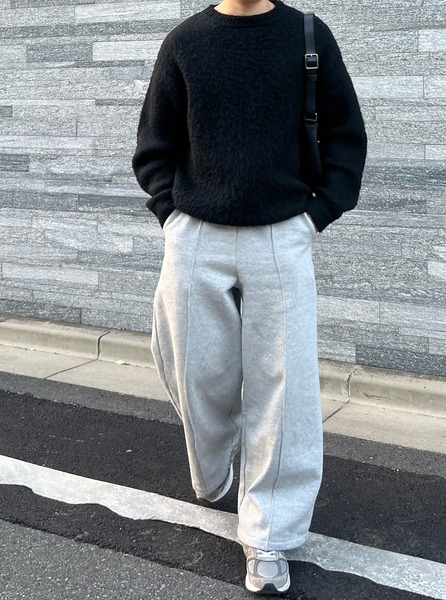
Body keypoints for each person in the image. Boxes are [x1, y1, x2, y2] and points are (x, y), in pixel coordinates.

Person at [132, 0, 367, 594]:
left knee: (283, 389)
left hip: (282, 233)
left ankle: (269, 536)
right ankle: (215, 466)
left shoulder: (308, 35)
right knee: (189, 367)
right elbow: (155, 141)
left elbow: (346, 135)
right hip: (195, 233)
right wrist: (170, 214)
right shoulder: (186, 42)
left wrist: (316, 215)